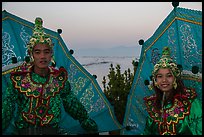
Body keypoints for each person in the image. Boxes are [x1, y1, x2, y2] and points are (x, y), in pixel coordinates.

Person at [2, 17, 98, 135]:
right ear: (31, 54)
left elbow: (73, 105)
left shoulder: (59, 80)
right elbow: (6, 110)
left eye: (46, 52)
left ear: (51, 54)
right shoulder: (18, 80)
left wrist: (87, 122)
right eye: (37, 52)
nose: (42, 56)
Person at [142, 46, 202, 135]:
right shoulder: (153, 106)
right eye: (160, 76)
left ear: (175, 78)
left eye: (169, 75)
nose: (164, 80)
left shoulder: (192, 104)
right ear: (155, 80)